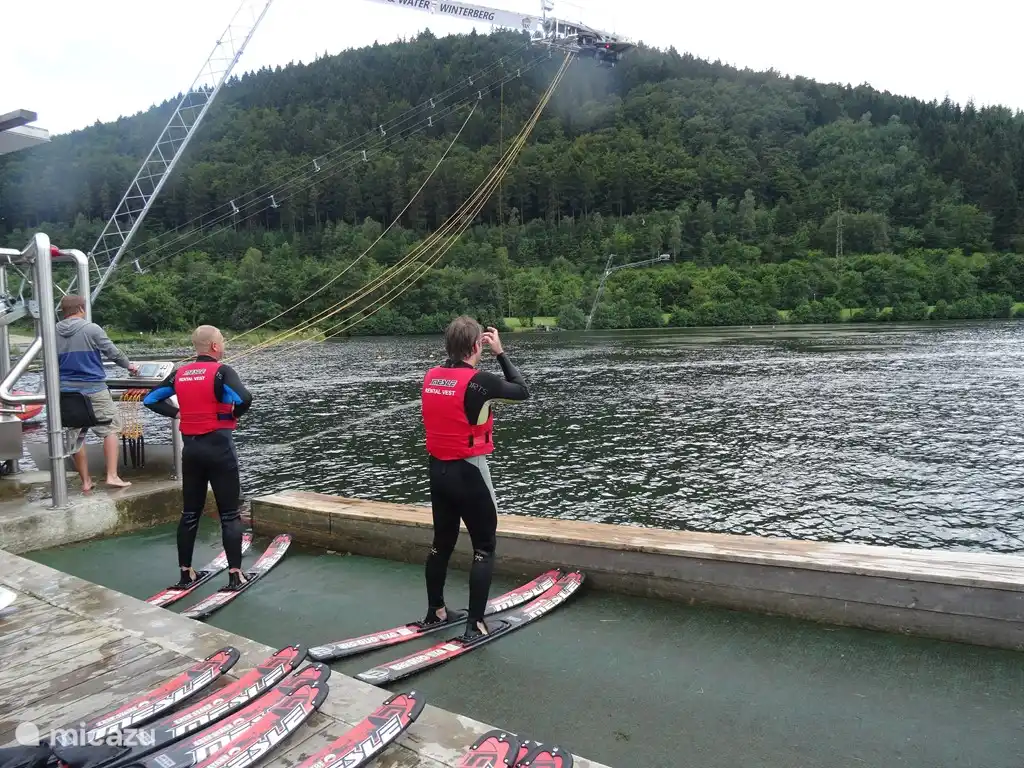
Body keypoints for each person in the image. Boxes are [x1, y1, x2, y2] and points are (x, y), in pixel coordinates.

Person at [420, 316, 529, 640]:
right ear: (475, 346)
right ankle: (475, 625)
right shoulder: (481, 382)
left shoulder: (431, 376)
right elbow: (523, 391)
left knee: (442, 543)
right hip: (468, 471)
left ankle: (435, 612)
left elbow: (451, 369)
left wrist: (464, 346)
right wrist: (500, 353)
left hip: (437, 471)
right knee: (484, 547)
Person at [143, 325, 253, 589]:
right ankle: (235, 575)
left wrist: (177, 414)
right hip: (219, 449)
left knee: (190, 512)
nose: (224, 345)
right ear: (214, 346)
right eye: (222, 341)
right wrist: (231, 415)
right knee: (229, 515)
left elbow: (151, 399)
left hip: (191, 450)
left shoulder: (180, 373)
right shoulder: (222, 371)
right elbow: (245, 398)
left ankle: (186, 573)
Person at [55, 295, 138, 491]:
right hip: (93, 387)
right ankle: (112, 476)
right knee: (110, 429)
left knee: (75, 433)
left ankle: (86, 482)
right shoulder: (91, 329)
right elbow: (112, 352)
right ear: (81, 308)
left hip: (66, 390)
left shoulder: (53, 331)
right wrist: (130, 366)